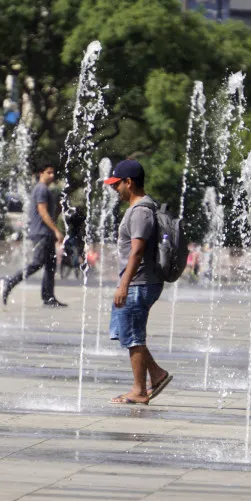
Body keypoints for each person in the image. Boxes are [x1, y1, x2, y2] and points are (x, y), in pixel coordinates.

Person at [103, 159, 172, 405]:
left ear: (129, 183)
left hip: (139, 282)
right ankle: (156, 375)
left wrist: (124, 284)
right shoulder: (141, 208)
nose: (114, 189)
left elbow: (137, 251)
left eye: (117, 184)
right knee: (126, 332)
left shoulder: (141, 211)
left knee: (133, 336)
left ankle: (140, 390)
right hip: (138, 281)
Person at [1, 163, 67, 307]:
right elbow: (42, 212)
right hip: (41, 232)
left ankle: (48, 297)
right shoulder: (41, 189)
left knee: (50, 265)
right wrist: (56, 230)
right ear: (41, 173)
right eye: (49, 172)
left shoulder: (44, 190)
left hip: (45, 232)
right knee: (38, 262)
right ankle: (10, 281)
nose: (52, 175)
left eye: (53, 172)